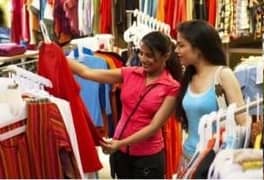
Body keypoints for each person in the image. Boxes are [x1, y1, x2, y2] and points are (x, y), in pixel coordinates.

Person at [68, 31, 182, 178]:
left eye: (149, 55)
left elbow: (154, 127)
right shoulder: (129, 73)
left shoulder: (172, 87)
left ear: (165, 56)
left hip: (147, 159)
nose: (143, 59)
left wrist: (120, 143)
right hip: (121, 154)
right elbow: (87, 72)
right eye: (141, 53)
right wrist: (55, 53)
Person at [175, 20, 248, 160]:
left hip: (215, 161)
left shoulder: (223, 75)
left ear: (199, 48)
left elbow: (243, 120)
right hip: (187, 158)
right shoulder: (188, 77)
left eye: (181, 45)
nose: (176, 51)